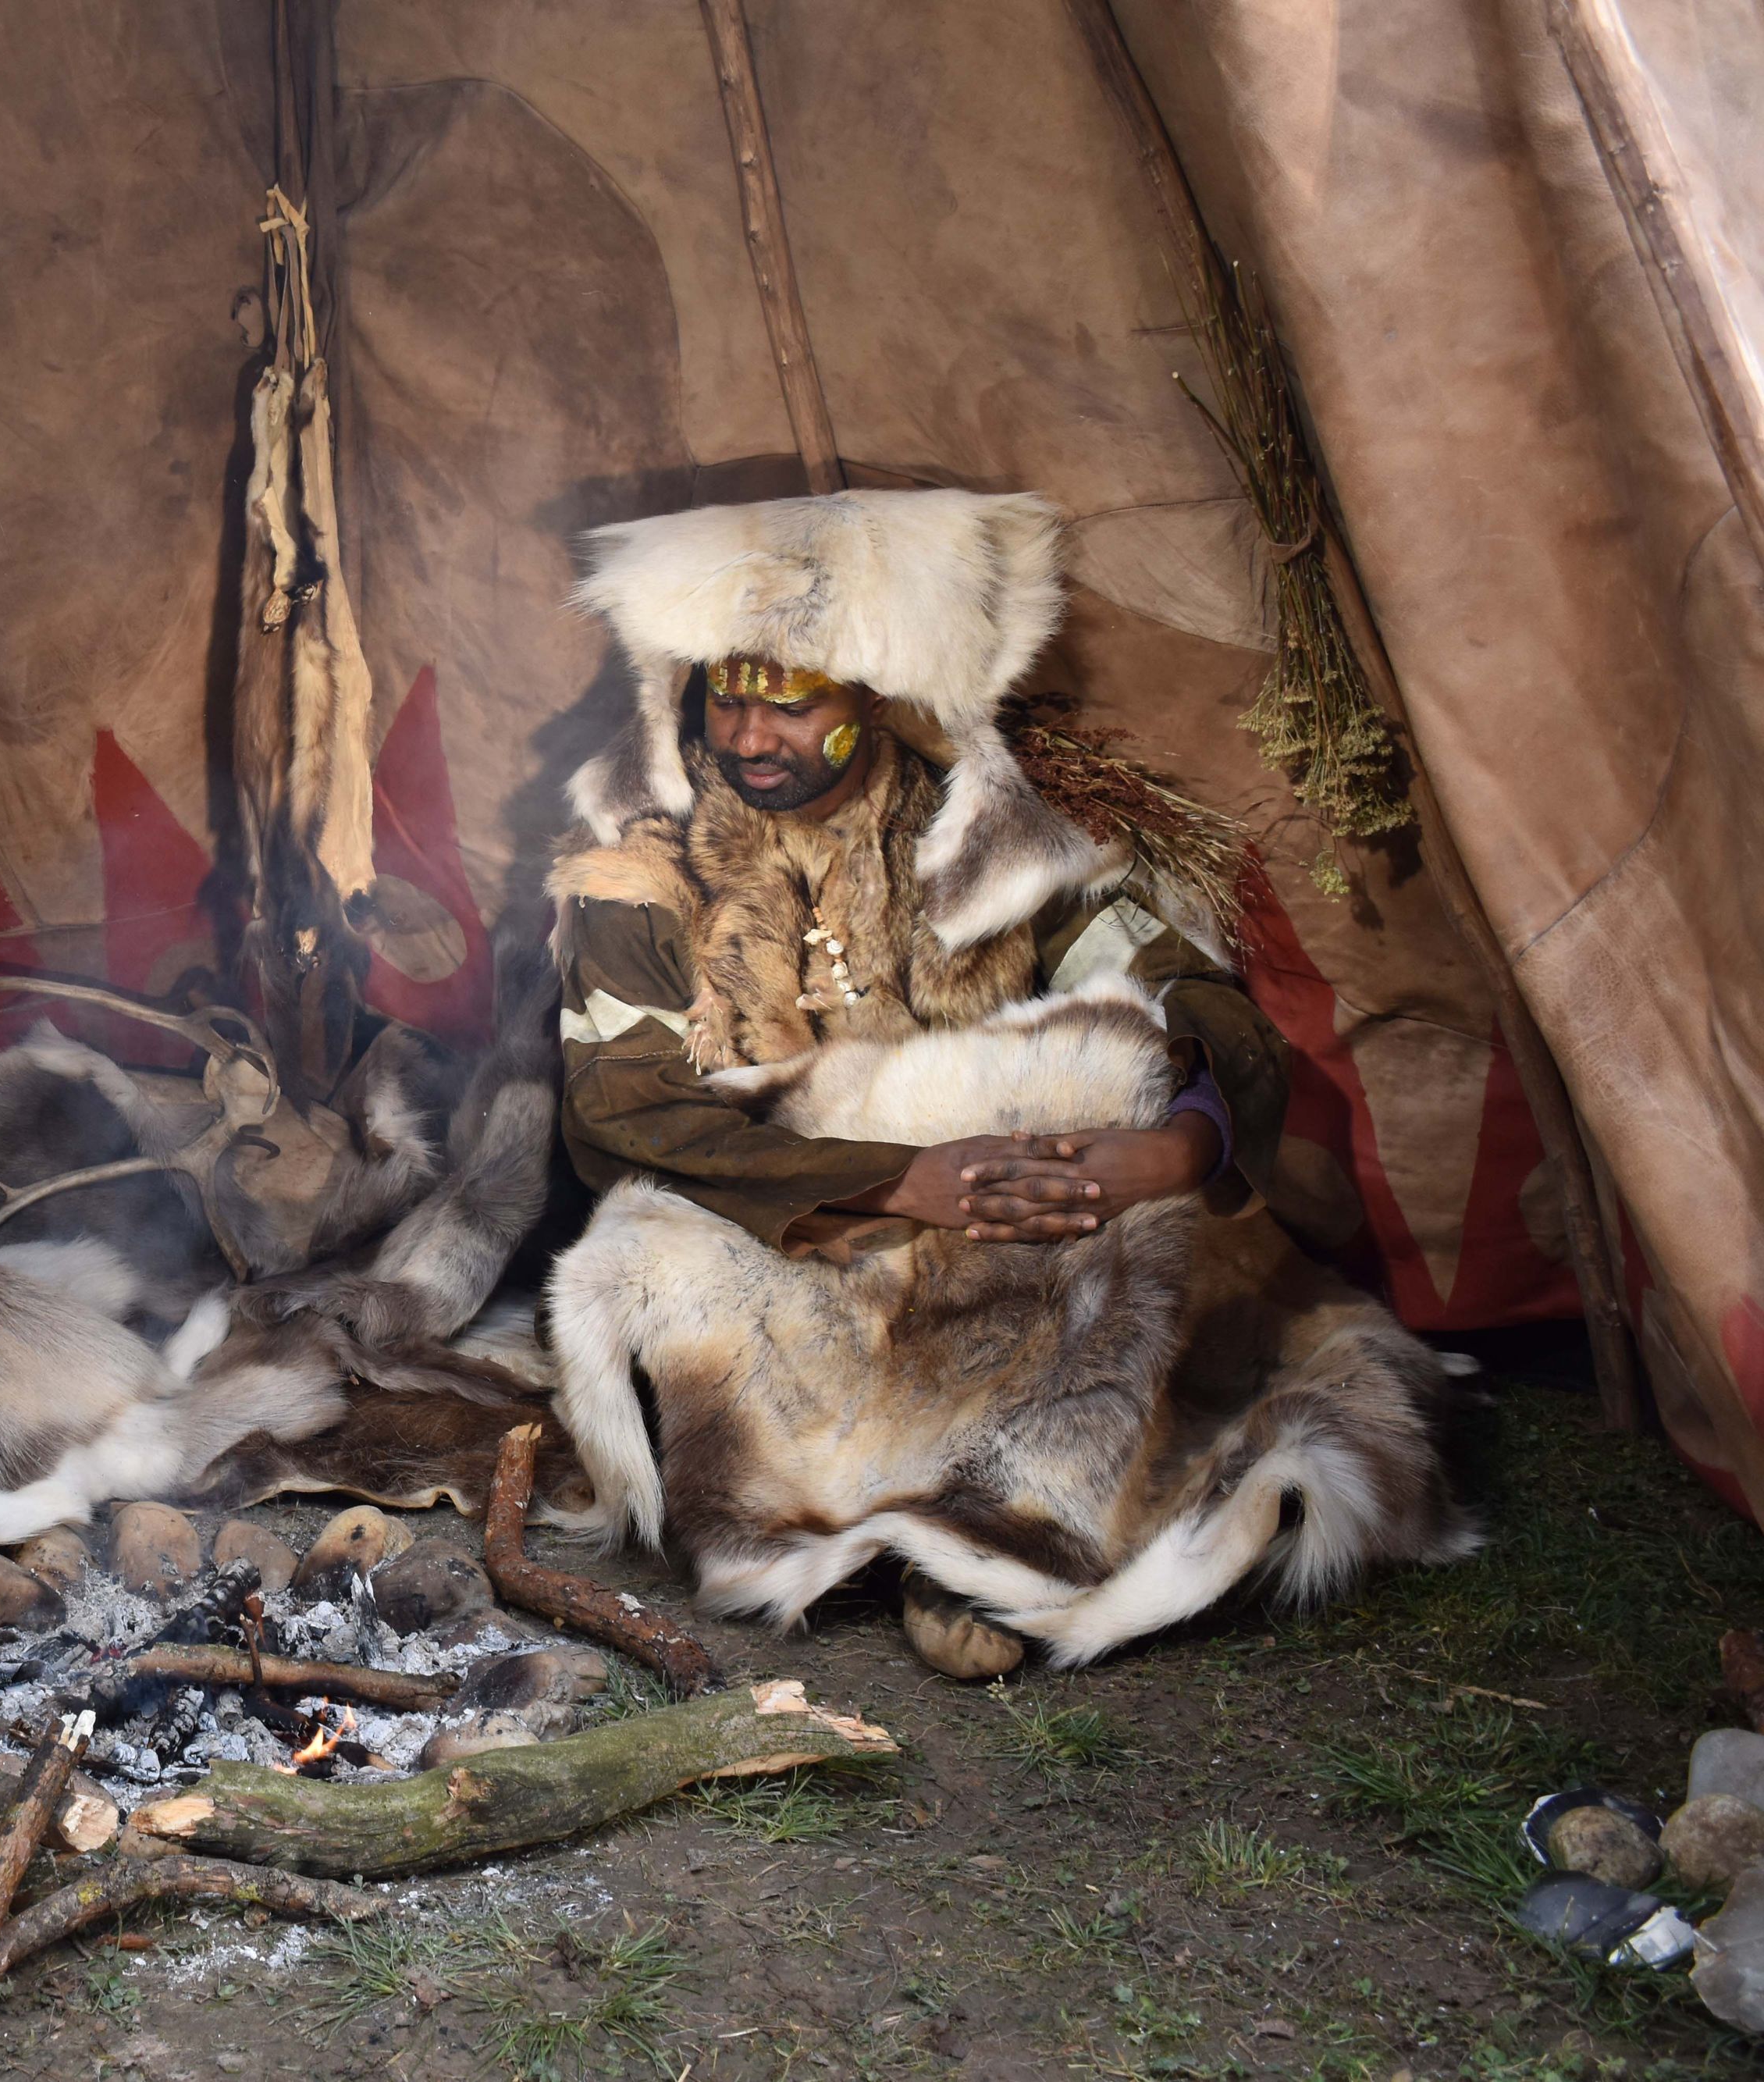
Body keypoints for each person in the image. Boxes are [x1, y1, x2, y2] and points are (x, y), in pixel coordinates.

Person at [546, 489, 1467, 1678]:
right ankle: (842, 1518)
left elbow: (1197, 1004)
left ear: (872, 693)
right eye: (727, 695)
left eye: (793, 703)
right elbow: (622, 1109)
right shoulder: (641, 869)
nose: (748, 735)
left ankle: (1004, 1525)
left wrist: (1181, 1145)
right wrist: (895, 1178)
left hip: (1008, 1228)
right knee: (657, 1255)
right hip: (788, 1227)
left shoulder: (995, 843)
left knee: (1127, 1178)